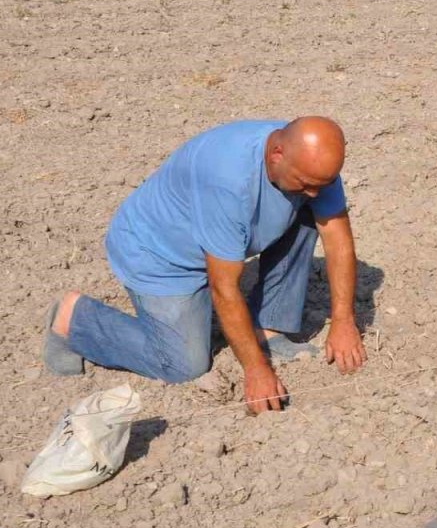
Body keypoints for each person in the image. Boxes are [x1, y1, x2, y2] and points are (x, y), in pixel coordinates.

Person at [42, 117, 367, 414]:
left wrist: (343, 320)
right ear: (276, 154)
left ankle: (267, 324)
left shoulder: (313, 163)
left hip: (213, 241)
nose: (314, 190)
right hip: (159, 256)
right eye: (305, 182)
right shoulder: (227, 180)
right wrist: (255, 369)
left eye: (321, 184)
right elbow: (223, 288)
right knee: (184, 364)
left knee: (309, 211)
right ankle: (75, 318)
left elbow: (337, 237)